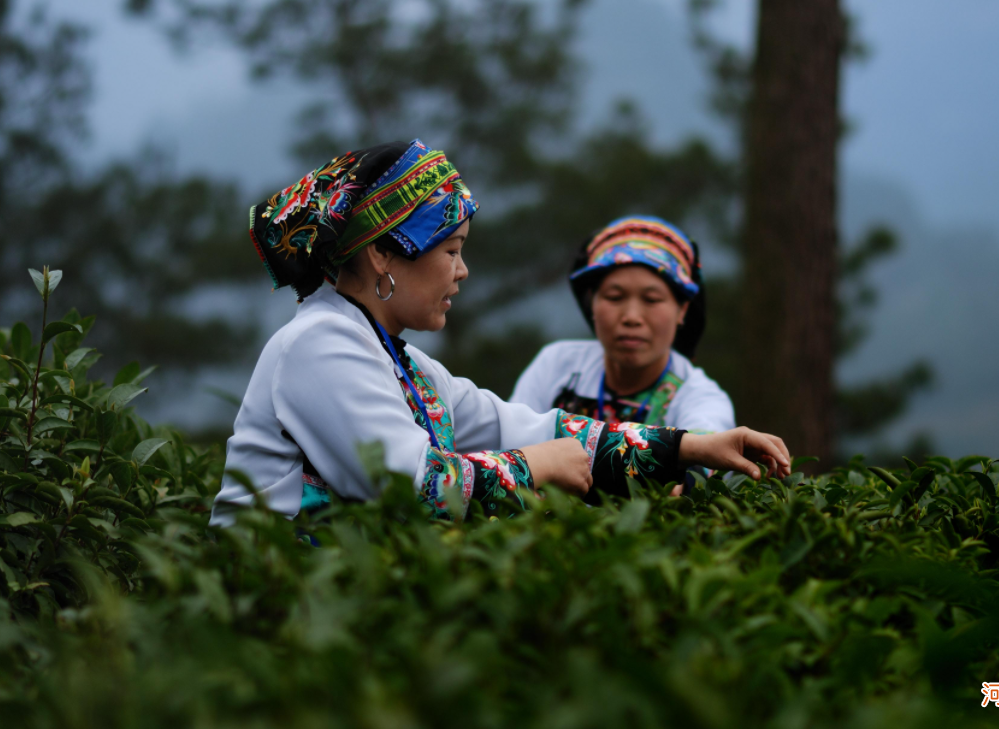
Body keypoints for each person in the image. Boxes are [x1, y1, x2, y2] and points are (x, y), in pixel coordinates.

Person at [210, 141, 790, 526]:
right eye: (452, 251)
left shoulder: (404, 364)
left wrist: (689, 445)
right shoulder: (320, 345)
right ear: (386, 253)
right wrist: (539, 464)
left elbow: (531, 425)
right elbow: (415, 488)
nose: (462, 271)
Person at [511, 216, 733, 434]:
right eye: (615, 297)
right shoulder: (556, 367)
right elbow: (507, 444)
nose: (632, 317)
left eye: (652, 300)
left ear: (682, 310)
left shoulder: (700, 401)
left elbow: (705, 461)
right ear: (591, 303)